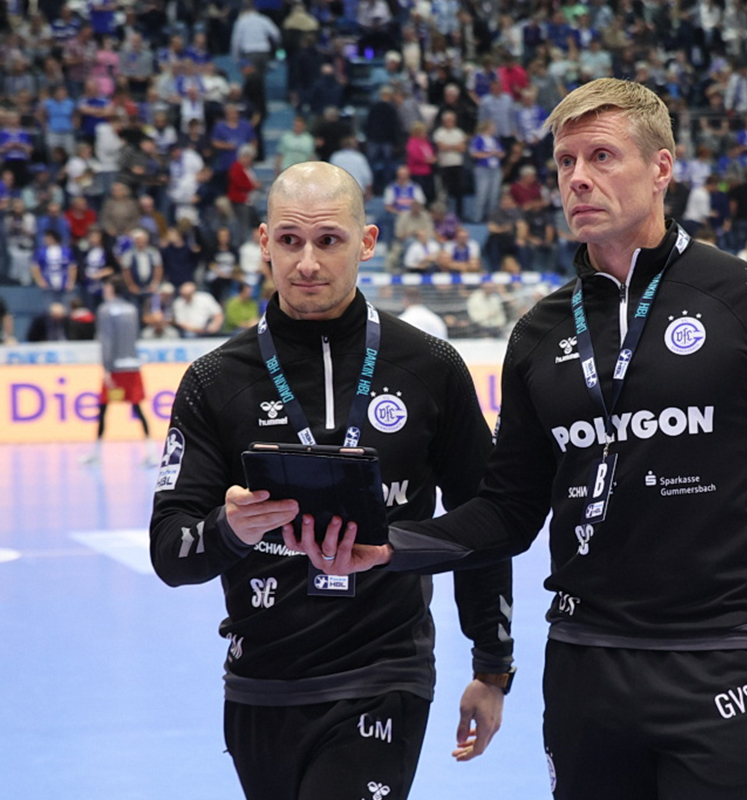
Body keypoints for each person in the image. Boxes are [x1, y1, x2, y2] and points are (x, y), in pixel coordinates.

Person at [285, 78, 747, 800]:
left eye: (602, 156)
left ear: (661, 168)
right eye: (565, 162)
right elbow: (508, 512)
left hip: (720, 654)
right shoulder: (539, 334)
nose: (578, 178)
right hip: (584, 663)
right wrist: (393, 546)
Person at [147, 162, 514, 800]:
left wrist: (492, 664)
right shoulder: (214, 380)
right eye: (290, 241)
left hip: (384, 673)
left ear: (366, 242)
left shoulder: (430, 367)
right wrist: (229, 528)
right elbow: (170, 550)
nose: (308, 262)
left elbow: (481, 520)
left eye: (329, 240)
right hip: (260, 684)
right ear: (264, 242)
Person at [82, 276, 157, 467]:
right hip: (132, 366)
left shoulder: (105, 310)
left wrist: (106, 368)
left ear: (111, 289)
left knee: (103, 408)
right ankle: (152, 452)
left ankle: (96, 453)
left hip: (115, 369)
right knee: (137, 408)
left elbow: (106, 340)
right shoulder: (132, 309)